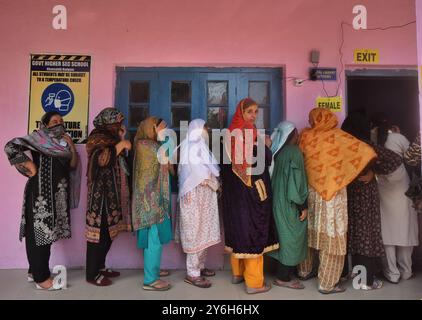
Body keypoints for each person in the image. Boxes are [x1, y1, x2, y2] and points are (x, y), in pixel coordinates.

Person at [298, 108, 376, 294]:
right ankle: (326, 283)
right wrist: (368, 173)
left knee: (310, 233)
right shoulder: (340, 137)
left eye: (311, 119)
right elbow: (366, 152)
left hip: (311, 193)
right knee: (332, 237)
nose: (310, 122)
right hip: (333, 197)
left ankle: (304, 271)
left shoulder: (305, 137)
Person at [4, 111, 80, 290]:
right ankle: (42, 279)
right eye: (54, 121)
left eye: (61, 121)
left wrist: (71, 145)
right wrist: (27, 164)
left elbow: (73, 166)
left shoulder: (63, 143)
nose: (59, 123)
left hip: (58, 195)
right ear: (45, 125)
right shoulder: (38, 139)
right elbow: (11, 146)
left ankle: (33, 271)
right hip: (40, 194)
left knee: (47, 234)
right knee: (39, 235)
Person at [221, 98, 279, 295]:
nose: (254, 115)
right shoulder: (250, 136)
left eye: (256, 112)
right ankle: (254, 283)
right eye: (250, 112)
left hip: (233, 197)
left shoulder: (228, 136)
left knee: (238, 230)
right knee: (253, 232)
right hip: (251, 195)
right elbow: (266, 159)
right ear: (241, 113)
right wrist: (265, 144)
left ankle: (237, 274)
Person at [341, 112, 402, 290]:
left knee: (352, 234)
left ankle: (353, 274)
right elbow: (395, 159)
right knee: (365, 235)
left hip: (348, 194)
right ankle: (365, 281)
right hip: (366, 195)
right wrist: (374, 171)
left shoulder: (343, 145)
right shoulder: (367, 145)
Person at [85, 108, 132, 286]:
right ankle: (91, 274)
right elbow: (102, 159)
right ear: (108, 123)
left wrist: (120, 139)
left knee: (108, 233)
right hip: (100, 196)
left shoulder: (112, 138)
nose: (120, 125)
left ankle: (101, 266)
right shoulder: (96, 137)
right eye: (117, 123)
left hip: (112, 194)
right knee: (97, 235)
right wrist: (121, 144)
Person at [371, 114, 419, 283]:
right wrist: (399, 134)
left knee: (387, 231)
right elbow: (411, 158)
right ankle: (406, 271)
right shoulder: (397, 137)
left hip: (382, 188)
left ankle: (392, 273)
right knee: (405, 229)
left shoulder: (372, 138)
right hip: (401, 187)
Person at [176, 119, 221, 288]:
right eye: (204, 129)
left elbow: (209, 170)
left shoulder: (201, 146)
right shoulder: (190, 147)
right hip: (194, 195)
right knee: (195, 231)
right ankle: (192, 273)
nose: (206, 133)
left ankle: (200, 267)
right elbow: (199, 174)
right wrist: (212, 181)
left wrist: (211, 180)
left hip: (204, 196)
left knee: (204, 230)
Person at [132, 116, 173, 291]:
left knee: (153, 238)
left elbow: (171, 166)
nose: (166, 132)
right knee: (153, 239)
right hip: (149, 201)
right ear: (153, 128)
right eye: (163, 128)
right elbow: (167, 160)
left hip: (155, 198)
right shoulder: (144, 146)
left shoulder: (153, 145)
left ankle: (153, 270)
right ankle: (150, 280)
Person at [267, 121, 308, 290]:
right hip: (288, 203)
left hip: (276, 202)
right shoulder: (294, 152)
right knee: (291, 237)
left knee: (282, 237)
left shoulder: (277, 153)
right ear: (291, 136)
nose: (299, 137)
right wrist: (302, 206)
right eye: (296, 134)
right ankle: (283, 277)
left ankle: (280, 272)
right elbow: (295, 183)